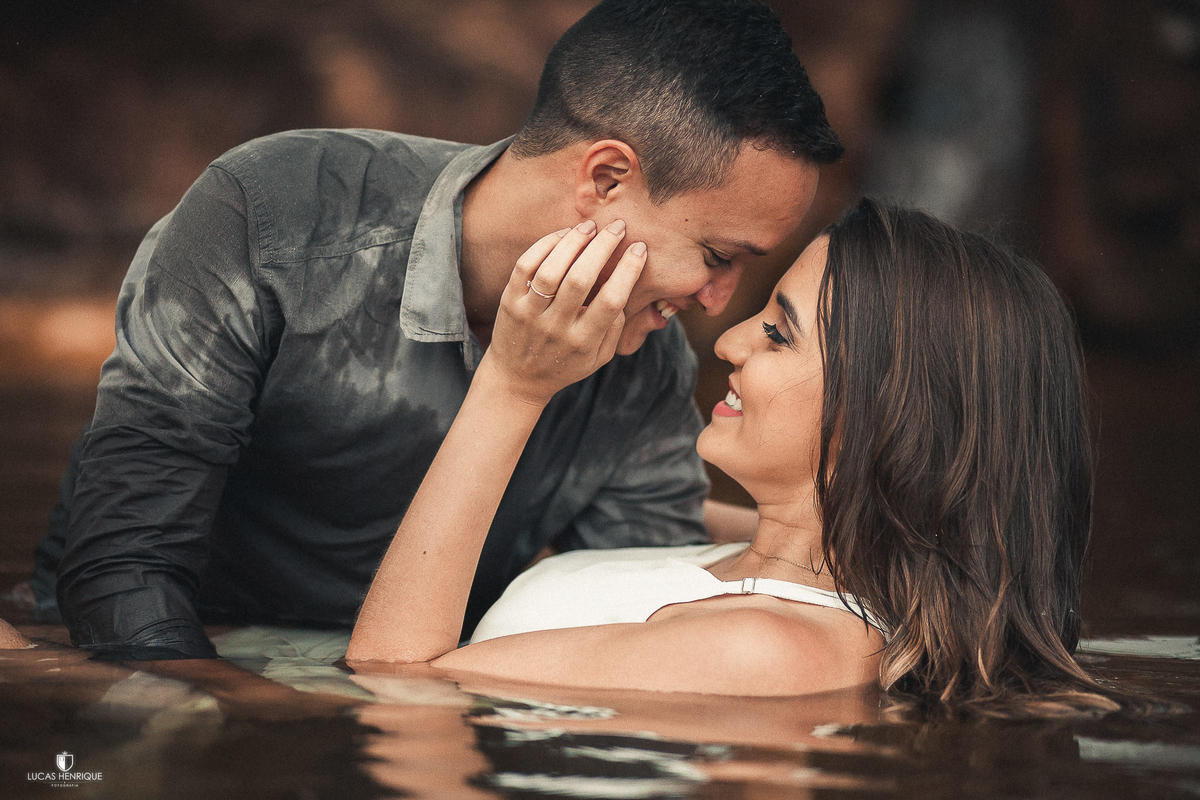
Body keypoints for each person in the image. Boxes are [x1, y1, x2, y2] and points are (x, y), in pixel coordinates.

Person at [28, 0, 842, 660]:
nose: (719, 304)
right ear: (604, 178)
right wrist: (264, 716)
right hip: (154, 666)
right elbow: (122, 573)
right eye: (716, 256)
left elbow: (627, 596)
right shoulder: (272, 218)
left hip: (411, 688)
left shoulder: (643, 356)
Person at [347, 197, 1122, 713]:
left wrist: (513, 386)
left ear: (883, 415)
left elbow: (393, 685)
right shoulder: (777, 557)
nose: (729, 343)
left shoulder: (766, 651)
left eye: (779, 333)